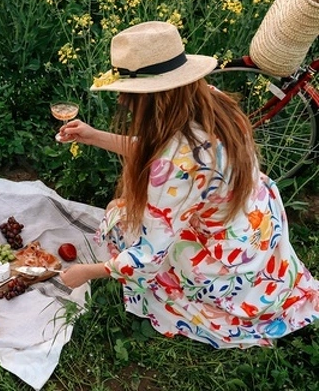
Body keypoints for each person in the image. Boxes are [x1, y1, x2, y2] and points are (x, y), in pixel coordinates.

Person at [57, 21, 319, 348]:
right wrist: (94, 136)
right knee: (126, 213)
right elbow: (165, 151)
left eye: (127, 93)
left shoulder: (173, 167)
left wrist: (88, 271)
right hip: (256, 227)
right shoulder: (212, 100)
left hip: (221, 260)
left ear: (152, 97)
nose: (123, 102)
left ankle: (195, 297)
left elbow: (148, 256)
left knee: (116, 220)